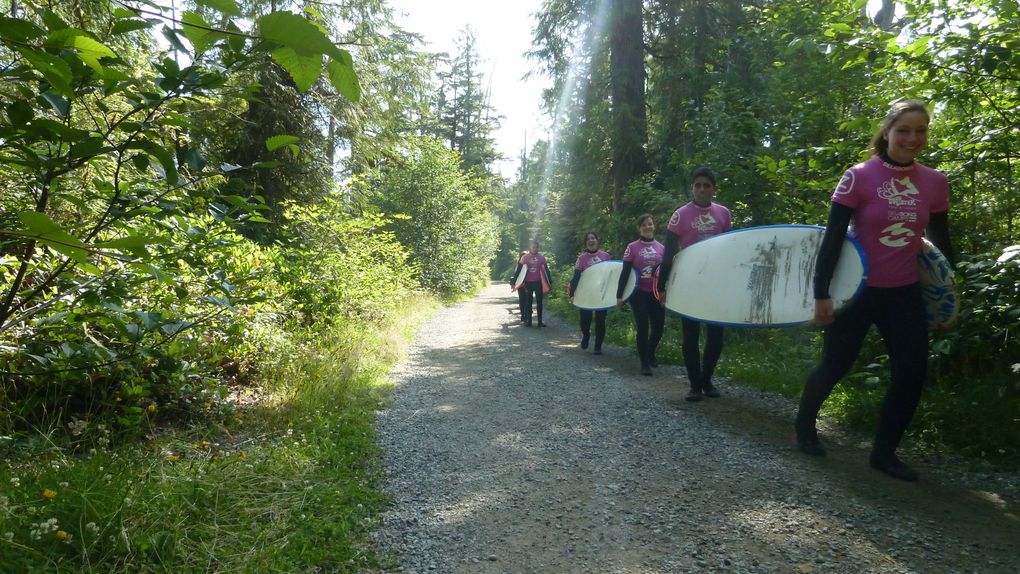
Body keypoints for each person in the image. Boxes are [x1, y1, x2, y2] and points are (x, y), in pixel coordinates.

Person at [794, 99, 954, 482]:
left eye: (921, 130)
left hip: (904, 293)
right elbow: (832, 240)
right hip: (857, 292)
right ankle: (804, 425)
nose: (913, 138)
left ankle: (884, 453)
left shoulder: (934, 182)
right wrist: (822, 295)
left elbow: (942, 247)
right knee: (836, 363)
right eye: (904, 130)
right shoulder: (858, 177)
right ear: (887, 132)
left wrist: (946, 302)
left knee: (912, 372)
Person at [659, 167, 732, 402]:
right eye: (697, 185)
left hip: (717, 283)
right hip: (689, 283)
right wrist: (662, 286)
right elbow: (669, 253)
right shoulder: (680, 215)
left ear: (714, 188)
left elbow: (731, 250)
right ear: (692, 188)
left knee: (715, 335)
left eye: (706, 185)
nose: (702, 189)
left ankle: (707, 379)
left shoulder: (724, 214)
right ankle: (694, 385)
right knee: (690, 336)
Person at [617, 214, 665, 376]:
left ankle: (650, 352)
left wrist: (666, 292)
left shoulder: (661, 248)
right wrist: (620, 295)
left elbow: (665, 273)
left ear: (654, 226)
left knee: (658, 328)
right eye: (644, 224)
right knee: (643, 326)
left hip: (656, 293)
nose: (647, 227)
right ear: (639, 229)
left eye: (650, 224)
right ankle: (645, 363)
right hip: (638, 293)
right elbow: (625, 272)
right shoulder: (632, 247)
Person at [568, 232, 611, 354]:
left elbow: (610, 276)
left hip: (601, 293)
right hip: (585, 293)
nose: (591, 240)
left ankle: (598, 347)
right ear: (586, 243)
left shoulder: (606, 256)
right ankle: (586, 335)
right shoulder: (582, 258)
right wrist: (572, 294)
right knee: (585, 320)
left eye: (593, 238)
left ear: (597, 240)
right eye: (588, 239)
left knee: (600, 320)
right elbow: (576, 277)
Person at [511, 241, 552, 327]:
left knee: (539, 302)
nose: (535, 249)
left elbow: (546, 270)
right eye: (533, 247)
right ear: (530, 248)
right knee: (528, 302)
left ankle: (540, 322)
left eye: (536, 247)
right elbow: (518, 270)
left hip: (538, 282)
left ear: (538, 248)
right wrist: (513, 281)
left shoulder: (542, 258)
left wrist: (549, 282)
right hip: (528, 282)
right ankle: (529, 321)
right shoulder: (524, 257)